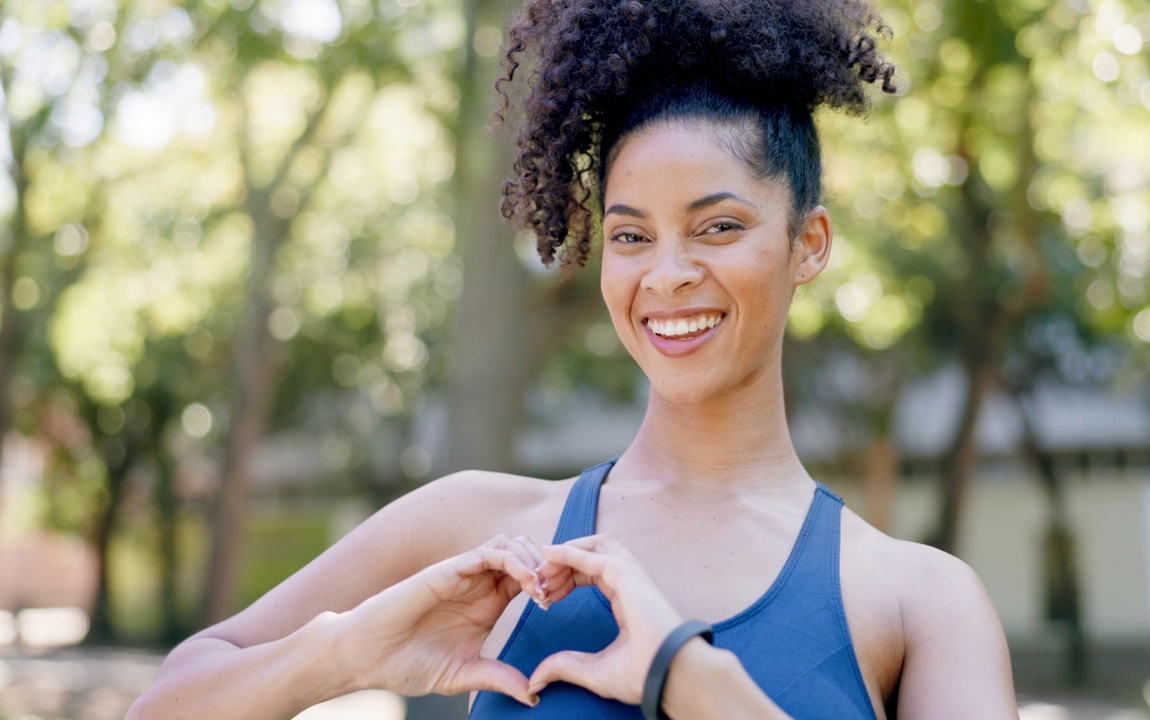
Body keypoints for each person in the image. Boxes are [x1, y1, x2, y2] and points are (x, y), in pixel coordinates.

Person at [128, 0, 1020, 717]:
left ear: (809, 243)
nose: (667, 276)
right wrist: (345, 652)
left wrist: (693, 684)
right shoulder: (476, 526)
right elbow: (166, 704)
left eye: (718, 226)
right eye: (632, 235)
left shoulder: (919, 601)